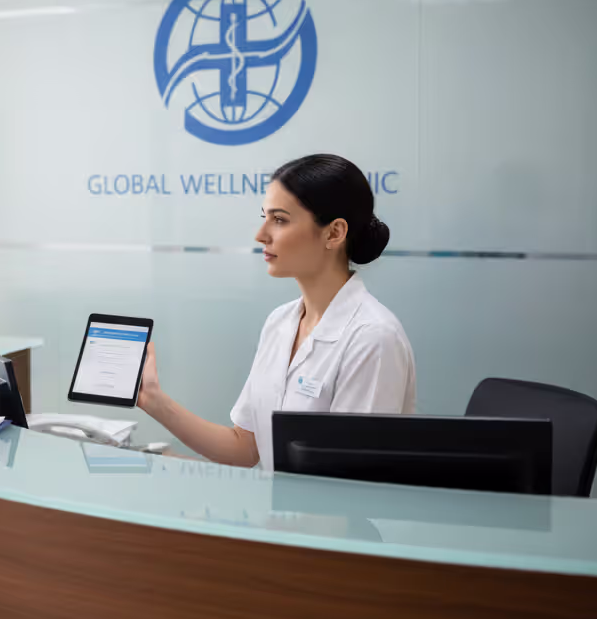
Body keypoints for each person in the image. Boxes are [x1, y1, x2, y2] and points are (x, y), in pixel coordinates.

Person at [136, 154, 415, 470]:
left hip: (327, 519)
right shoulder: (280, 322)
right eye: (265, 217)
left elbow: (347, 488)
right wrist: (153, 400)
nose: (261, 234)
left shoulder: (373, 338)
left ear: (334, 233)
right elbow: (245, 449)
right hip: (280, 515)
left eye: (280, 220)